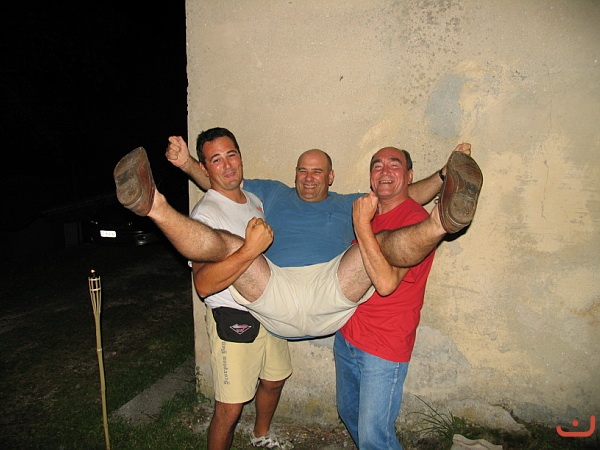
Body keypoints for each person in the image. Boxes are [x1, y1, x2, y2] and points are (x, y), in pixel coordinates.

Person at [112, 143, 483, 338]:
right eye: (302, 171)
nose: (308, 178)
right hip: (276, 290)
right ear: (294, 175)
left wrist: (443, 177)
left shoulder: (349, 203)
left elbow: (400, 195)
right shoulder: (273, 192)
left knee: (379, 242)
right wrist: (187, 164)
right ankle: (153, 205)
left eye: (317, 172)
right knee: (230, 243)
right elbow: (221, 181)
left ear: (330, 177)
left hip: (331, 289)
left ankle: (443, 222)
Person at [188, 128, 293, 449]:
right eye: (216, 160)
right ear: (204, 168)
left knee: (274, 380)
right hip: (233, 318)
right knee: (230, 409)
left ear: (240, 156)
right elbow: (203, 284)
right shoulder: (205, 215)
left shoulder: (254, 201)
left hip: (268, 310)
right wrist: (249, 250)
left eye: (231, 155)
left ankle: (261, 434)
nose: (227, 165)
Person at [334, 147, 436, 449]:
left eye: (394, 165)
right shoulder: (372, 212)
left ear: (409, 176)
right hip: (348, 335)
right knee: (349, 413)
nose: (385, 171)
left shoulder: (415, 221)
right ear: (371, 177)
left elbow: (386, 283)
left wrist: (361, 226)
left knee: (374, 437)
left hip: (383, 346)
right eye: (377, 166)